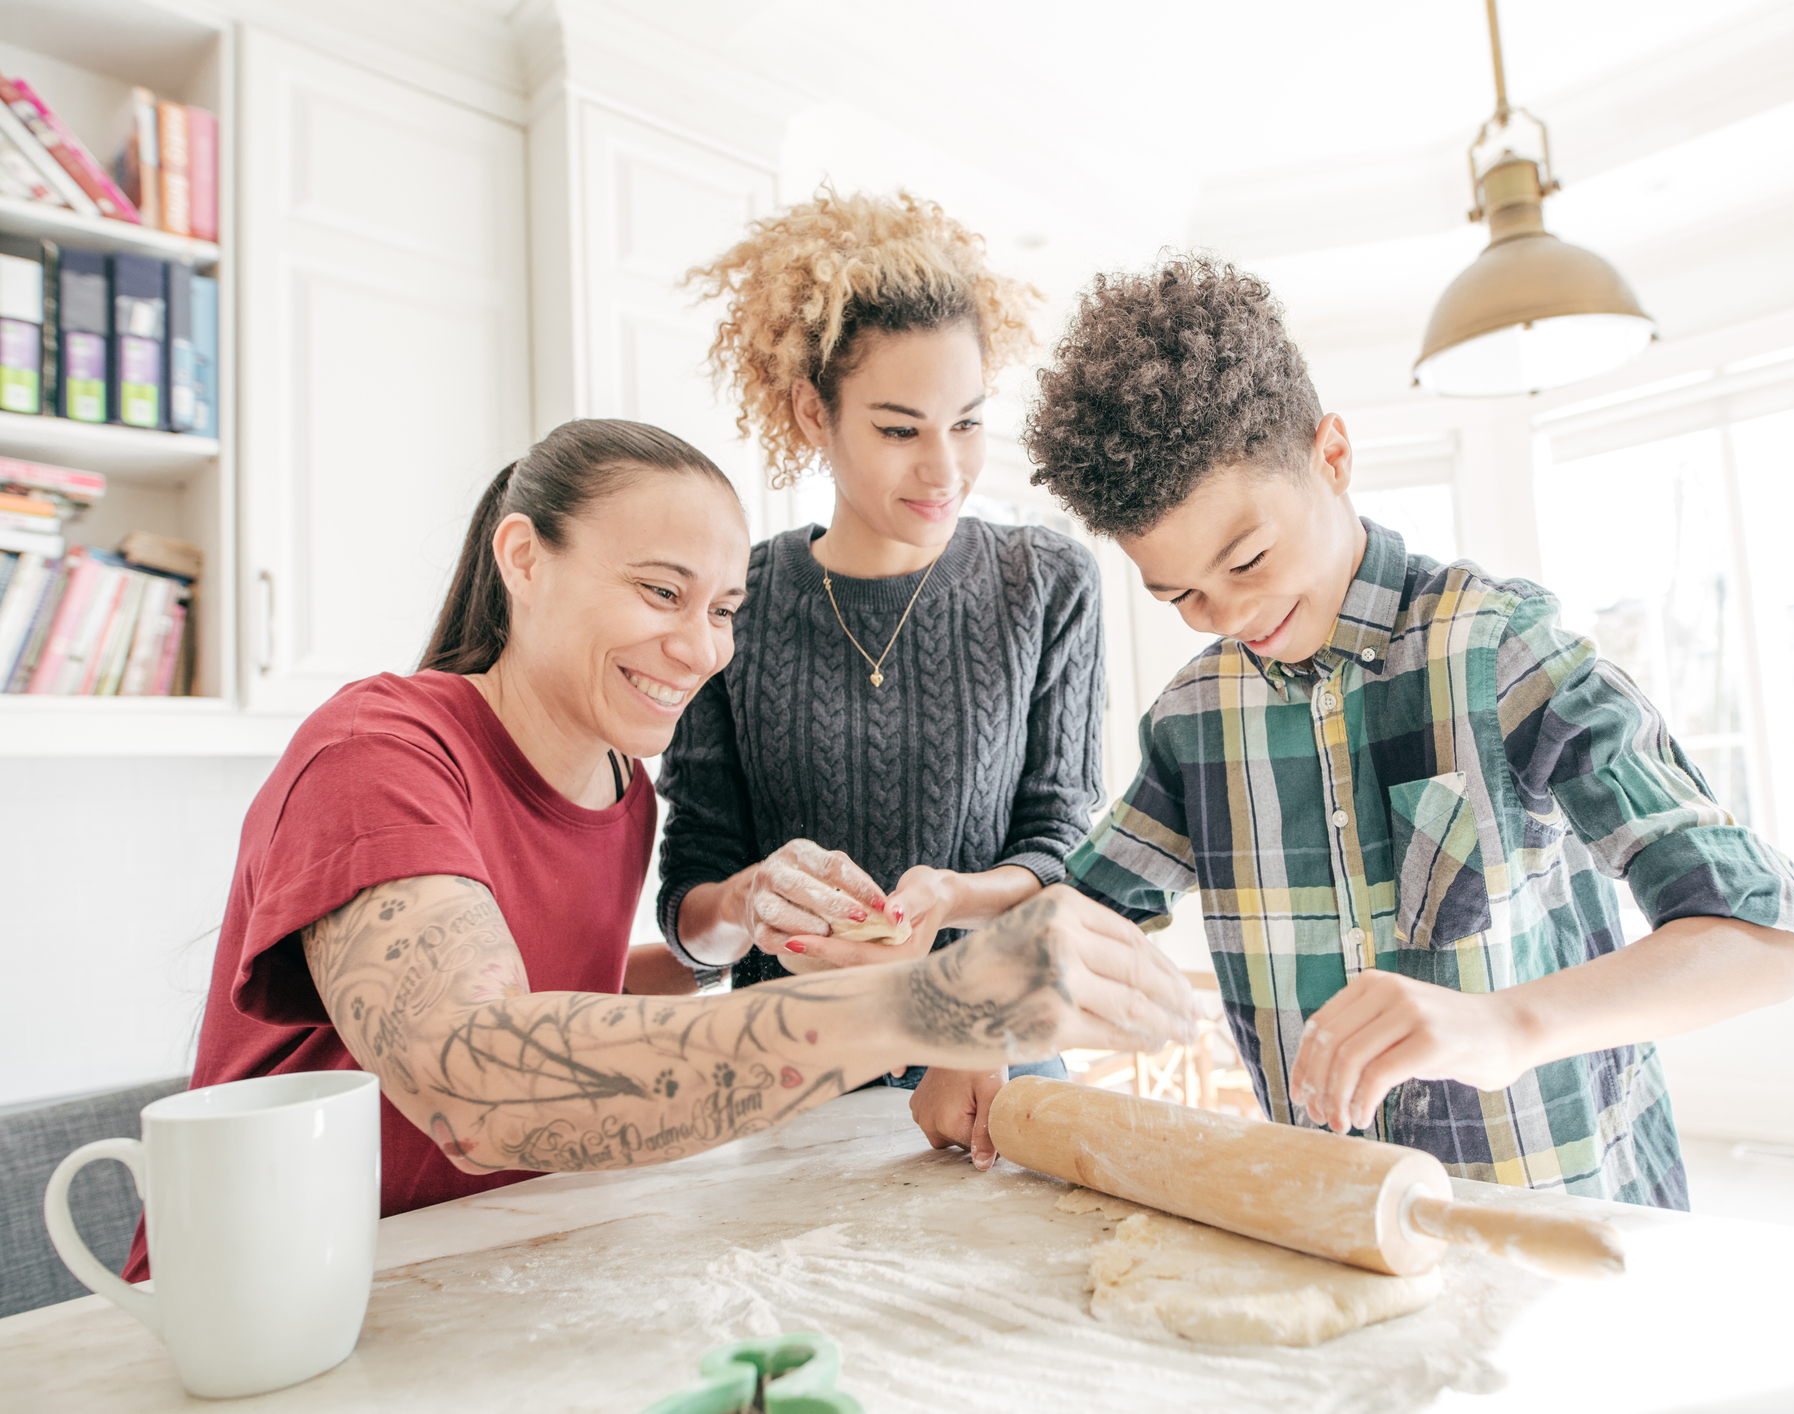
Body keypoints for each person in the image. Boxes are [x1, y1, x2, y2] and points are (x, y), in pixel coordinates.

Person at [122, 418, 1189, 1280]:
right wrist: (933, 1002)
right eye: (660, 591)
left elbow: (559, 984)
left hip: (465, 1271)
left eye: (723, 608)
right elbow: (475, 1081)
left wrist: (792, 936)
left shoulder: (617, 783)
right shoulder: (378, 753)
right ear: (523, 558)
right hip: (261, 1298)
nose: (701, 647)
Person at [1021, 257, 1794, 1207]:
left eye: (1247, 559)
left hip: (1567, 1215)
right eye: (1181, 594)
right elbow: (1077, 930)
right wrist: (981, 1034)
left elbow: (1766, 934)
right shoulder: (1193, 721)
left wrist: (1510, 1026)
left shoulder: (1501, 648)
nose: (1229, 615)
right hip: (1343, 1222)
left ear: (1331, 456)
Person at [658, 191, 1107, 1170]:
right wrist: (752, 897)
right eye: (900, 429)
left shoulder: (1048, 580)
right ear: (812, 412)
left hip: (998, 1067)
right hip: (789, 1079)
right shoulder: (738, 597)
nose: (943, 467)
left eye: (967, 422)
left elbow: (1064, 844)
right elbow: (689, 894)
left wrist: (949, 897)